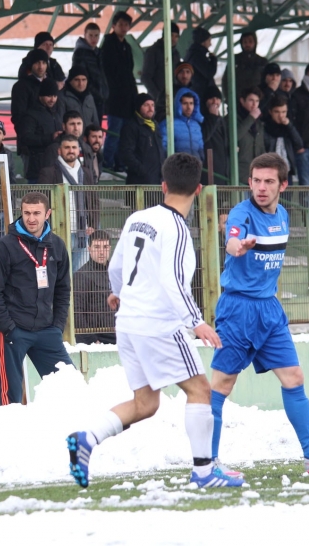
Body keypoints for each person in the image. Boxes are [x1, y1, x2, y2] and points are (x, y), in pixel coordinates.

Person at [67, 153, 241, 490]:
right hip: (158, 323)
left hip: (128, 322)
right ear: (199, 189)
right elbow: (173, 279)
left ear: (163, 186)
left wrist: (118, 293)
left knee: (146, 403)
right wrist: (197, 321)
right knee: (201, 390)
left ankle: (86, 439)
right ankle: (204, 472)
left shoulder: (137, 217)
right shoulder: (176, 228)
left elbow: (116, 266)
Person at [210, 152, 309, 477]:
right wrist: (238, 246)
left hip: (269, 309)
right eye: (256, 181)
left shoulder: (284, 216)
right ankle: (208, 464)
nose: (261, 188)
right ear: (249, 182)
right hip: (238, 309)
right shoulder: (241, 213)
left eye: (269, 181)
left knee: (294, 378)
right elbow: (232, 240)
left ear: (283, 185)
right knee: (222, 385)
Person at [0, 192, 74, 405]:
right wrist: (8, 328)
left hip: (47, 330)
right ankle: (10, 435)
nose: (31, 218)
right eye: (26, 213)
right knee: (11, 397)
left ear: (48, 214)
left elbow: (63, 289)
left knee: (69, 386)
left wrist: (57, 326)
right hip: (14, 330)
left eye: (36, 213)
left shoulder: (57, 246)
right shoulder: (3, 247)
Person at [38, 134, 97, 270]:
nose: (71, 150)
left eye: (74, 147)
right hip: (59, 232)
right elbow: (41, 203)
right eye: (67, 147)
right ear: (59, 151)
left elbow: (94, 201)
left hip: (83, 232)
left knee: (80, 274)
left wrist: (92, 224)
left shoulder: (86, 172)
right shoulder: (48, 173)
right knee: (61, 272)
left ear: (78, 150)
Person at [101, 11, 138, 169]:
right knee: (114, 133)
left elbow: (129, 72)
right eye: (121, 24)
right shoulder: (108, 45)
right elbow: (111, 72)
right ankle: (108, 163)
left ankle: (120, 163)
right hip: (115, 99)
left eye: (126, 25)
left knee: (125, 135)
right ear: (114, 26)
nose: (124, 28)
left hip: (127, 99)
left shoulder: (127, 47)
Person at [72, 230, 116, 346]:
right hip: (97, 340)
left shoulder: (116, 273)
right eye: (97, 247)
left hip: (120, 337)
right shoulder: (81, 275)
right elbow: (76, 312)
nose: (101, 252)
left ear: (110, 248)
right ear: (89, 249)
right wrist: (92, 341)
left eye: (105, 247)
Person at [16, 78, 63, 184]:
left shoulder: (56, 114)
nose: (52, 99)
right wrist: (51, 137)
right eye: (49, 96)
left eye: (55, 96)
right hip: (37, 169)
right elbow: (25, 138)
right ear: (40, 95)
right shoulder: (30, 115)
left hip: (55, 167)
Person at [118, 93, 164, 185]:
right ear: (138, 107)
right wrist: (143, 171)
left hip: (157, 181)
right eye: (146, 105)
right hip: (139, 182)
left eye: (152, 105)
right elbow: (126, 153)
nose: (151, 109)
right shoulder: (130, 127)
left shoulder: (155, 125)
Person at [142, 23, 181, 130]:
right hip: (158, 103)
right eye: (171, 35)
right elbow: (146, 77)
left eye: (176, 36)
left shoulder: (176, 54)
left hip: (173, 101)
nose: (173, 39)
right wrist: (158, 96)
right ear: (164, 35)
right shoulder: (153, 52)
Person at [71, 22, 108, 118]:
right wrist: (95, 92)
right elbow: (79, 76)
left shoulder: (99, 53)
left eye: (96, 35)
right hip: (89, 97)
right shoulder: (80, 53)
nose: (93, 38)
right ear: (85, 35)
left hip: (100, 97)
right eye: (90, 35)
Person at [262, 95, 304, 178]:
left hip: (286, 171)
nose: (281, 115)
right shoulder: (264, 127)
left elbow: (299, 145)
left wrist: (289, 126)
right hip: (269, 170)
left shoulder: (288, 127)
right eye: (277, 112)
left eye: (284, 112)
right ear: (270, 112)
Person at [10, 48, 49, 132]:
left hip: (49, 135)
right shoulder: (21, 86)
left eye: (44, 63)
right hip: (29, 136)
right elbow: (18, 115)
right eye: (37, 63)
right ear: (30, 65)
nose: (41, 66)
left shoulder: (50, 84)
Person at [221, 30, 267, 101]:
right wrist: (228, 99)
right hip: (238, 100)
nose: (247, 44)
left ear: (255, 43)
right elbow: (226, 80)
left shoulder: (262, 62)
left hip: (257, 101)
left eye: (250, 41)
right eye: (245, 42)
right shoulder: (234, 59)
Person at [233, 87, 265, 183]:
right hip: (240, 173)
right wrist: (251, 118)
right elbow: (234, 137)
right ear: (242, 101)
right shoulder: (233, 119)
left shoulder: (259, 122)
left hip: (257, 174)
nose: (254, 104)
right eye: (251, 100)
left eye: (257, 101)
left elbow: (261, 146)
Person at [201, 86, 230, 185]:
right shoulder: (201, 118)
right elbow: (204, 136)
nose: (215, 101)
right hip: (209, 170)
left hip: (222, 169)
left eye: (217, 98)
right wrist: (212, 117)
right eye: (211, 98)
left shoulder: (221, 120)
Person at [185, 27, 218, 100]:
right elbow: (209, 73)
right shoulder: (198, 55)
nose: (210, 44)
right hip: (200, 93)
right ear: (203, 42)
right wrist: (213, 60)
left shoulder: (192, 53)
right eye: (209, 40)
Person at [173, 88, 205, 162]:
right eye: (185, 103)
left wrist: (201, 160)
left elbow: (200, 147)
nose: (189, 107)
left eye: (191, 103)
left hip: (195, 168)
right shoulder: (169, 124)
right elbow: (164, 149)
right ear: (178, 104)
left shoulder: (196, 126)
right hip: (177, 169)